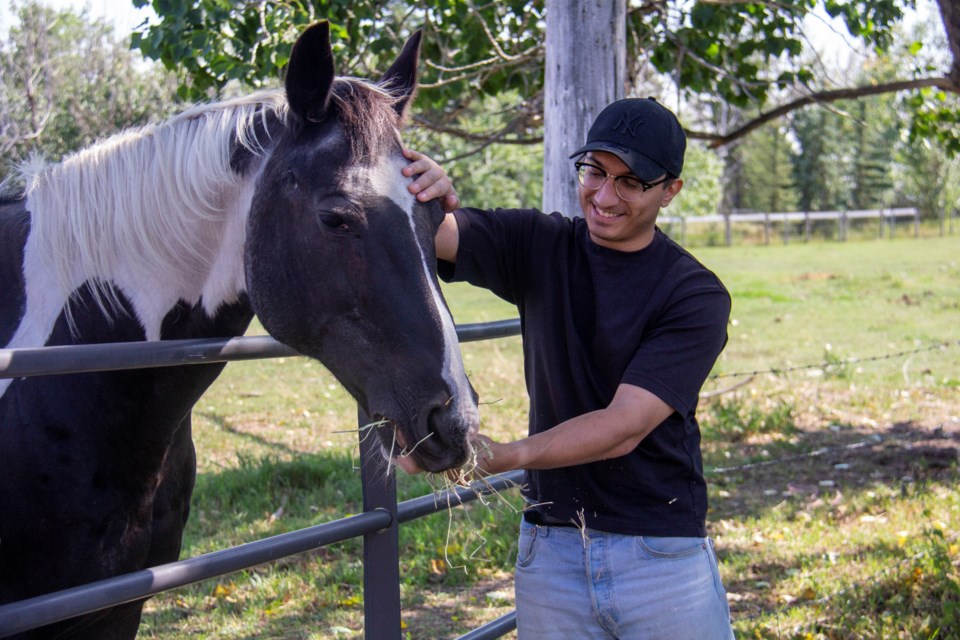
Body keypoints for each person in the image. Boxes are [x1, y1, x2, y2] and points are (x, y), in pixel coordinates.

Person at [402, 97, 735, 639]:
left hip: (660, 556)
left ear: (670, 190)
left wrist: (500, 458)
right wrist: (419, 190)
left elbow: (623, 426)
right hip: (552, 552)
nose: (604, 196)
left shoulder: (694, 295)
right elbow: (427, 233)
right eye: (595, 172)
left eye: (630, 182)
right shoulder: (541, 244)